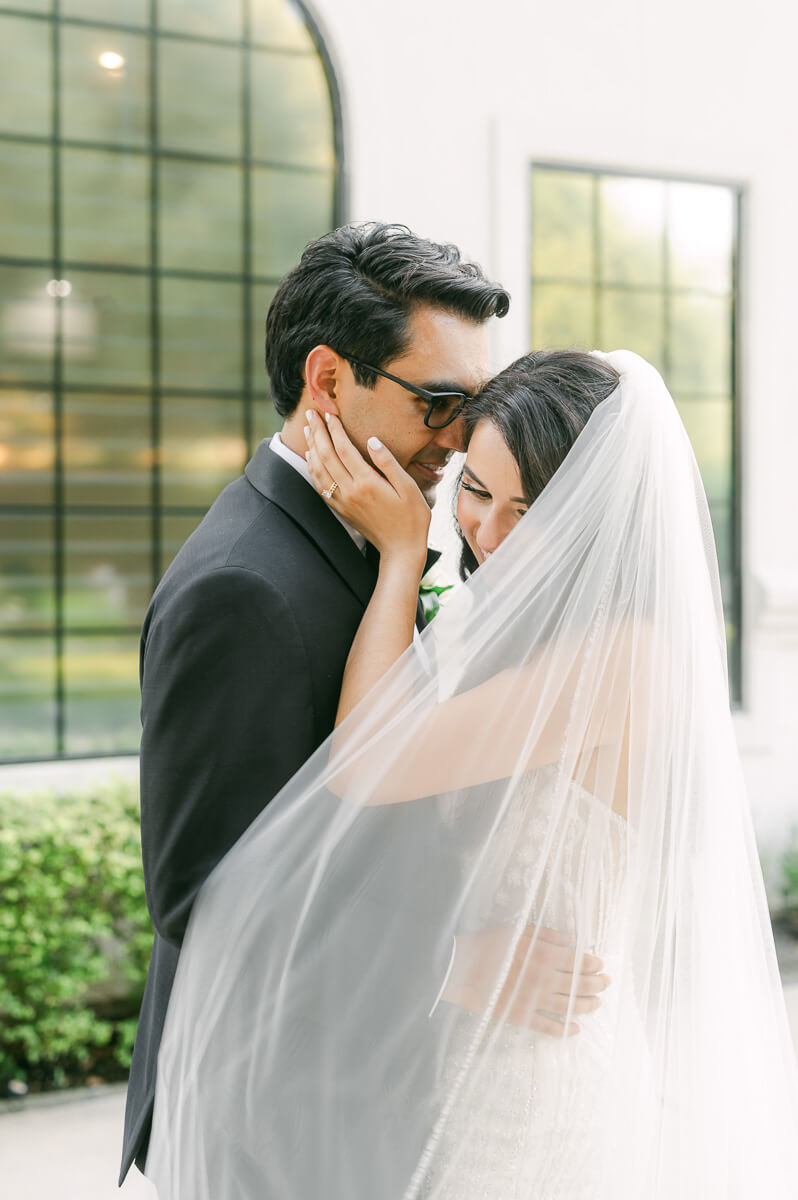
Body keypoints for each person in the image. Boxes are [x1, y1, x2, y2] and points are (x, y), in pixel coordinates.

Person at [145, 348, 798, 1197]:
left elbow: (373, 762)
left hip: (533, 1069)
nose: (486, 535)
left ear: (591, 517)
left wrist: (397, 560)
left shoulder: (624, 660)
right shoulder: (523, 631)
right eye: (477, 493)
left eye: (529, 512)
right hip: (456, 1042)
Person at [120, 224, 608, 1188]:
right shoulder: (244, 586)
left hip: (385, 1097)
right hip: (278, 1113)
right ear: (329, 379)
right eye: (440, 403)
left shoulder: (380, 538)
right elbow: (208, 900)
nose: (464, 437)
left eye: (473, 406)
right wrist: (457, 966)